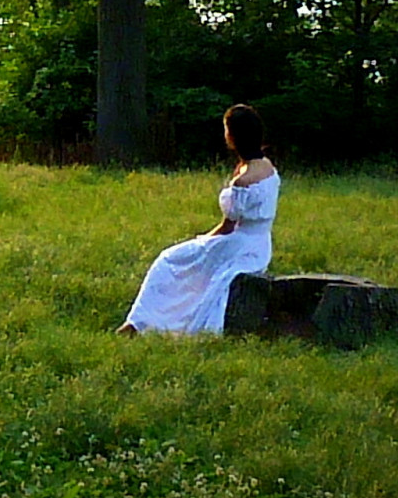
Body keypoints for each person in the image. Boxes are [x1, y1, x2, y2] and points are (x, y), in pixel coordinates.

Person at [116, 104, 280, 335]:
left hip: (239, 246)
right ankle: (145, 322)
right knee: (196, 262)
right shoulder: (267, 167)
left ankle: (141, 322)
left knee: (169, 260)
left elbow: (227, 227)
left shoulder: (242, 182)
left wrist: (202, 240)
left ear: (233, 136)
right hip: (260, 245)